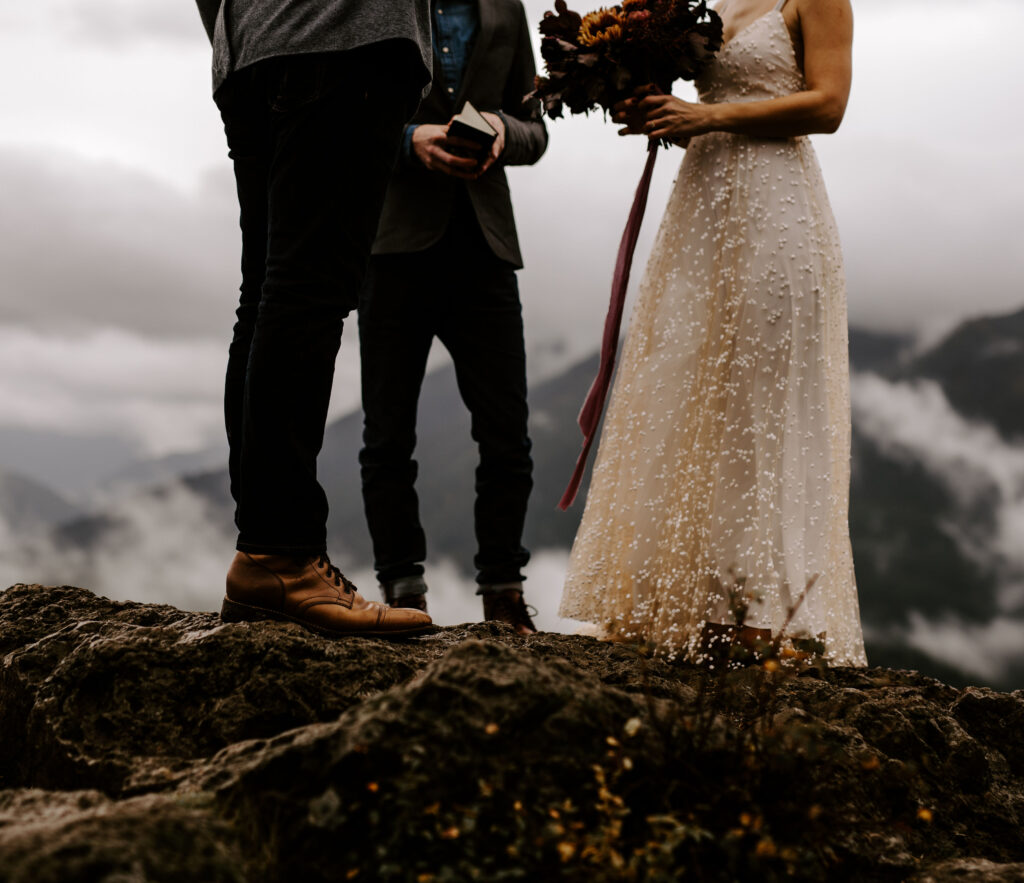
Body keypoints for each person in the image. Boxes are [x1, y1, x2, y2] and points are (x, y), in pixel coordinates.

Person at [559, 0, 867, 664]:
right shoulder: (702, 5)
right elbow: (685, 109)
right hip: (703, 201)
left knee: (765, 399)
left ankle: (765, 612)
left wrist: (708, 116)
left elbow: (829, 105)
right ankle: (686, 602)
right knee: (687, 390)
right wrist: (642, 100)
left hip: (777, 201)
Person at [193, 0, 434, 636]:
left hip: (249, 51)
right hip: (343, 37)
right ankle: (282, 553)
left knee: (271, 291)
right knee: (307, 292)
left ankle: (267, 552)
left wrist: (240, 31)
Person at [358, 0, 547, 634]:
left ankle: (503, 592)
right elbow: (340, 118)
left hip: (485, 244)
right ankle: (403, 595)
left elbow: (535, 129)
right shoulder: (373, 8)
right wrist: (410, 140)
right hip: (391, 245)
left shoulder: (505, 9)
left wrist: (499, 129)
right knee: (388, 436)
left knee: (508, 436)